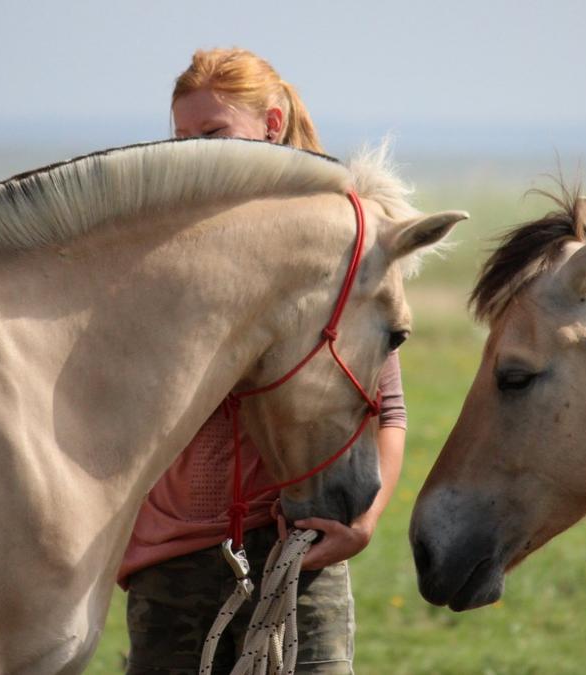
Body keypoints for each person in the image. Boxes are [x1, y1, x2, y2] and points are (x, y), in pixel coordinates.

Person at [118, 47, 407, 675]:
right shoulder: (160, 245)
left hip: (299, 554)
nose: (194, 152)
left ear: (271, 125)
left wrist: (363, 523)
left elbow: (387, 408)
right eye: (182, 138)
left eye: (213, 133)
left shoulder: (336, 243)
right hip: (169, 564)